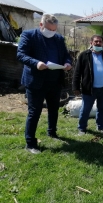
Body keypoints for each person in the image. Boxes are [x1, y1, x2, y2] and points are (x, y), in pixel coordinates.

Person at [17, 14, 72, 154]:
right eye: (49, 29)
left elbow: (66, 54)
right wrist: (36, 63)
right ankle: (30, 143)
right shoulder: (29, 35)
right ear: (41, 25)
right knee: (34, 112)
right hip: (36, 81)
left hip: (54, 81)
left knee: (54, 109)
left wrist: (67, 63)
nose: (52, 33)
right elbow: (21, 54)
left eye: (54, 30)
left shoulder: (58, 38)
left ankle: (52, 132)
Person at [72, 34, 103, 135]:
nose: (98, 43)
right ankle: (82, 128)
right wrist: (75, 87)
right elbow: (77, 72)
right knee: (85, 109)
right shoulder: (84, 55)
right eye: (96, 41)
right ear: (91, 43)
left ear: (102, 43)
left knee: (102, 109)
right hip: (89, 89)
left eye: (100, 41)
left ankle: (100, 127)